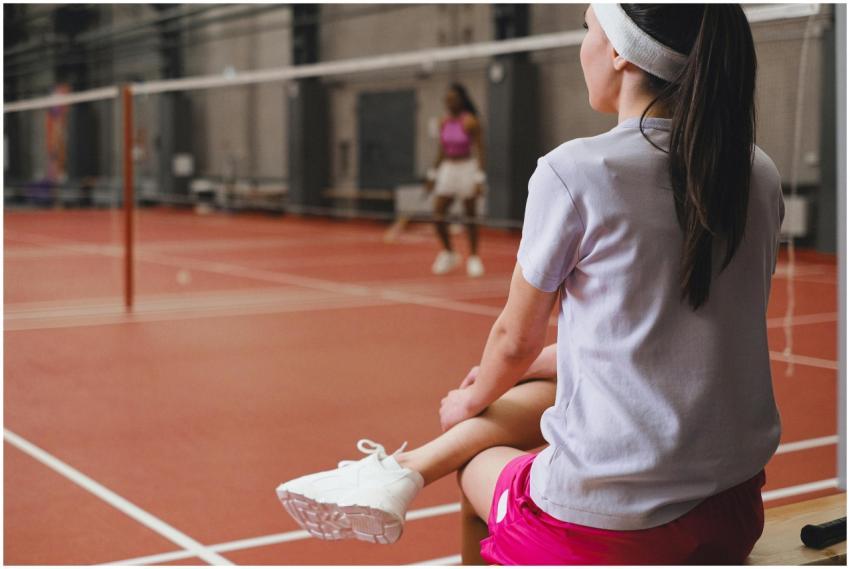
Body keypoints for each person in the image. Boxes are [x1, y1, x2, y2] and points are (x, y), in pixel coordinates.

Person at [276, 4, 785, 564]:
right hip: (732, 515)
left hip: (607, 535)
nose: (581, 49)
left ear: (619, 52)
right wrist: (532, 369)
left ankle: (406, 476)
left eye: (586, 31)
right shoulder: (756, 171)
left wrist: (472, 397)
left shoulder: (578, 171)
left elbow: (512, 340)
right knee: (542, 391)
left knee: (476, 456)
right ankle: (401, 470)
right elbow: (666, 339)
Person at [425, 83, 487, 278]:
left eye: (453, 99)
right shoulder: (443, 122)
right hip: (448, 169)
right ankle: (449, 253)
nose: (449, 103)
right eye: (447, 99)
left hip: (466, 167)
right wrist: (433, 175)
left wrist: (479, 178)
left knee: (470, 215)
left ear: (461, 100)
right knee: (438, 213)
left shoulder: (470, 121)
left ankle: (474, 257)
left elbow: (480, 150)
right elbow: (441, 150)